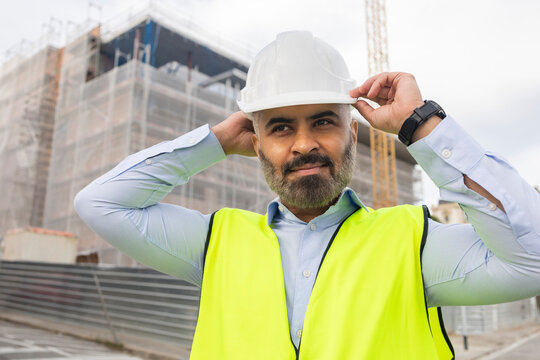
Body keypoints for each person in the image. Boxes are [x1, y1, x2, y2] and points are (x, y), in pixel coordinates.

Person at [74, 31, 540, 359]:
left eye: (322, 121)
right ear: (255, 144)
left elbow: (533, 259)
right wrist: (213, 141)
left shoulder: (414, 244)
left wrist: (420, 123)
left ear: (353, 135)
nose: (303, 144)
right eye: (279, 127)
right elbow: (99, 202)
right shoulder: (214, 242)